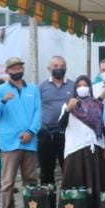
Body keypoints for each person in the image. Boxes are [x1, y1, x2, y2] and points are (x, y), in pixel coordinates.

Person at [0, 57, 41, 208]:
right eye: (13, 68)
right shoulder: (0, 90)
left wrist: (31, 131)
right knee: (8, 181)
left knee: (31, 180)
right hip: (10, 142)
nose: (17, 70)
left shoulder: (32, 89)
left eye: (19, 67)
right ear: (7, 71)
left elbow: (38, 112)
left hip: (29, 140)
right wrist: (3, 101)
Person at [59, 75, 105, 208]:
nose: (82, 88)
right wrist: (68, 109)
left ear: (90, 88)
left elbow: (103, 127)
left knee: (97, 181)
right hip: (76, 148)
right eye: (79, 85)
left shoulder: (98, 105)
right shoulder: (69, 104)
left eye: (85, 85)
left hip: (96, 146)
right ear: (75, 88)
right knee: (75, 180)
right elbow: (61, 125)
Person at [37, 55, 75, 188]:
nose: (59, 68)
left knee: (69, 168)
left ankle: (69, 200)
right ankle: (47, 201)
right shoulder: (41, 86)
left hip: (67, 133)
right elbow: (35, 108)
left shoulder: (73, 85)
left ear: (66, 68)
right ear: (49, 68)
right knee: (46, 170)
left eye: (62, 66)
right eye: (56, 66)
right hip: (46, 133)